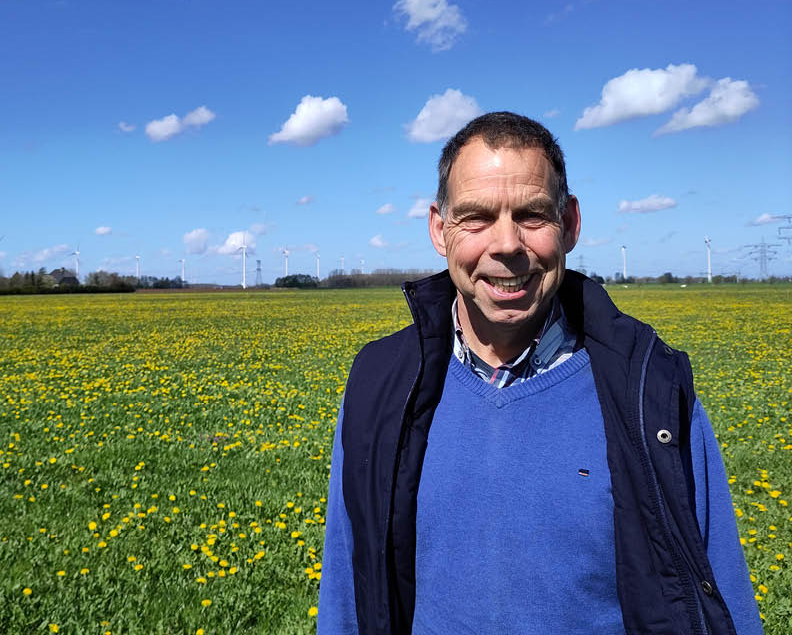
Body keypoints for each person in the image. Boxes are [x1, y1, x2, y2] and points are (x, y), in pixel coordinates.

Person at [317, 112, 762, 634]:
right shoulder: (379, 385)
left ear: (569, 223)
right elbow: (348, 595)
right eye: (476, 217)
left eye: (531, 215)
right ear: (440, 229)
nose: (506, 244)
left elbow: (719, 591)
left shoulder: (652, 391)